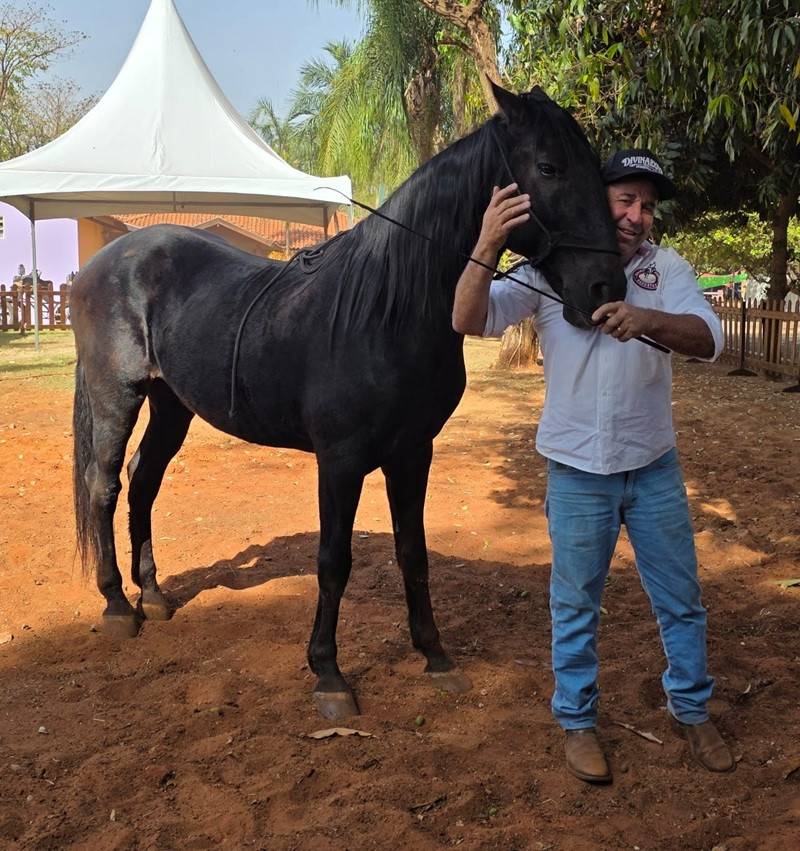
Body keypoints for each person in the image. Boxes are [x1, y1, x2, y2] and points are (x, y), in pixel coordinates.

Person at [452, 148, 734, 784]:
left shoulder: (666, 268)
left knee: (682, 600)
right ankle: (577, 723)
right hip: (577, 471)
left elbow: (710, 340)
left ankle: (691, 710)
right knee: (575, 605)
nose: (637, 216)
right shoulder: (548, 268)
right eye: (625, 200)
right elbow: (468, 317)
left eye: (647, 207)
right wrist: (488, 241)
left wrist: (646, 318)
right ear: (595, 199)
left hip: (653, 467)